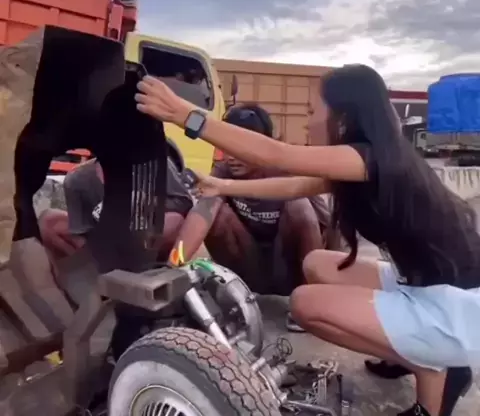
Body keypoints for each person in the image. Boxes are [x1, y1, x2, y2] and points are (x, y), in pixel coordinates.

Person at [134, 66, 480, 416]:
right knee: (317, 264)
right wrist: (224, 186)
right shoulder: (370, 158)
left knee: (305, 304)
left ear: (342, 119)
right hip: (421, 280)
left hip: (457, 305)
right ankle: (416, 350)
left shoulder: (366, 158)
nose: (308, 123)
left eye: (314, 111)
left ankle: (434, 370)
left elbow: (278, 155)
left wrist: (184, 114)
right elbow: (296, 184)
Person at [171, 103, 327, 303]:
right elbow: (202, 213)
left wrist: (325, 282)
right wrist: (173, 266)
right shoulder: (223, 171)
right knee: (217, 213)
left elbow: (328, 230)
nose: (231, 157)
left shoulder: (289, 170)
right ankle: (237, 293)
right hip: (251, 270)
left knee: (299, 206)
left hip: (290, 272)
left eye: (240, 149)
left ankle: (310, 298)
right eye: (227, 148)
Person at [39, 154, 193, 263]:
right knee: (49, 221)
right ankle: (88, 273)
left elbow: (184, 205)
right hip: (105, 243)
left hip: (150, 237)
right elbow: (81, 230)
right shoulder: (77, 179)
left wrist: (146, 201)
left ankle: (158, 267)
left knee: (175, 219)